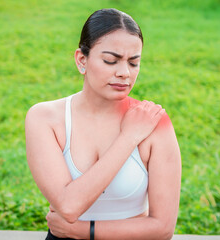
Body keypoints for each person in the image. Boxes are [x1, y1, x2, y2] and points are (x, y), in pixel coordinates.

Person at [25, 8, 181, 240]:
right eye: (111, 61)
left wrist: (82, 231)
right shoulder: (45, 118)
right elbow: (68, 206)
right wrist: (128, 138)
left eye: (134, 63)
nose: (124, 73)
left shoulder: (153, 122)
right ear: (82, 60)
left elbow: (163, 228)